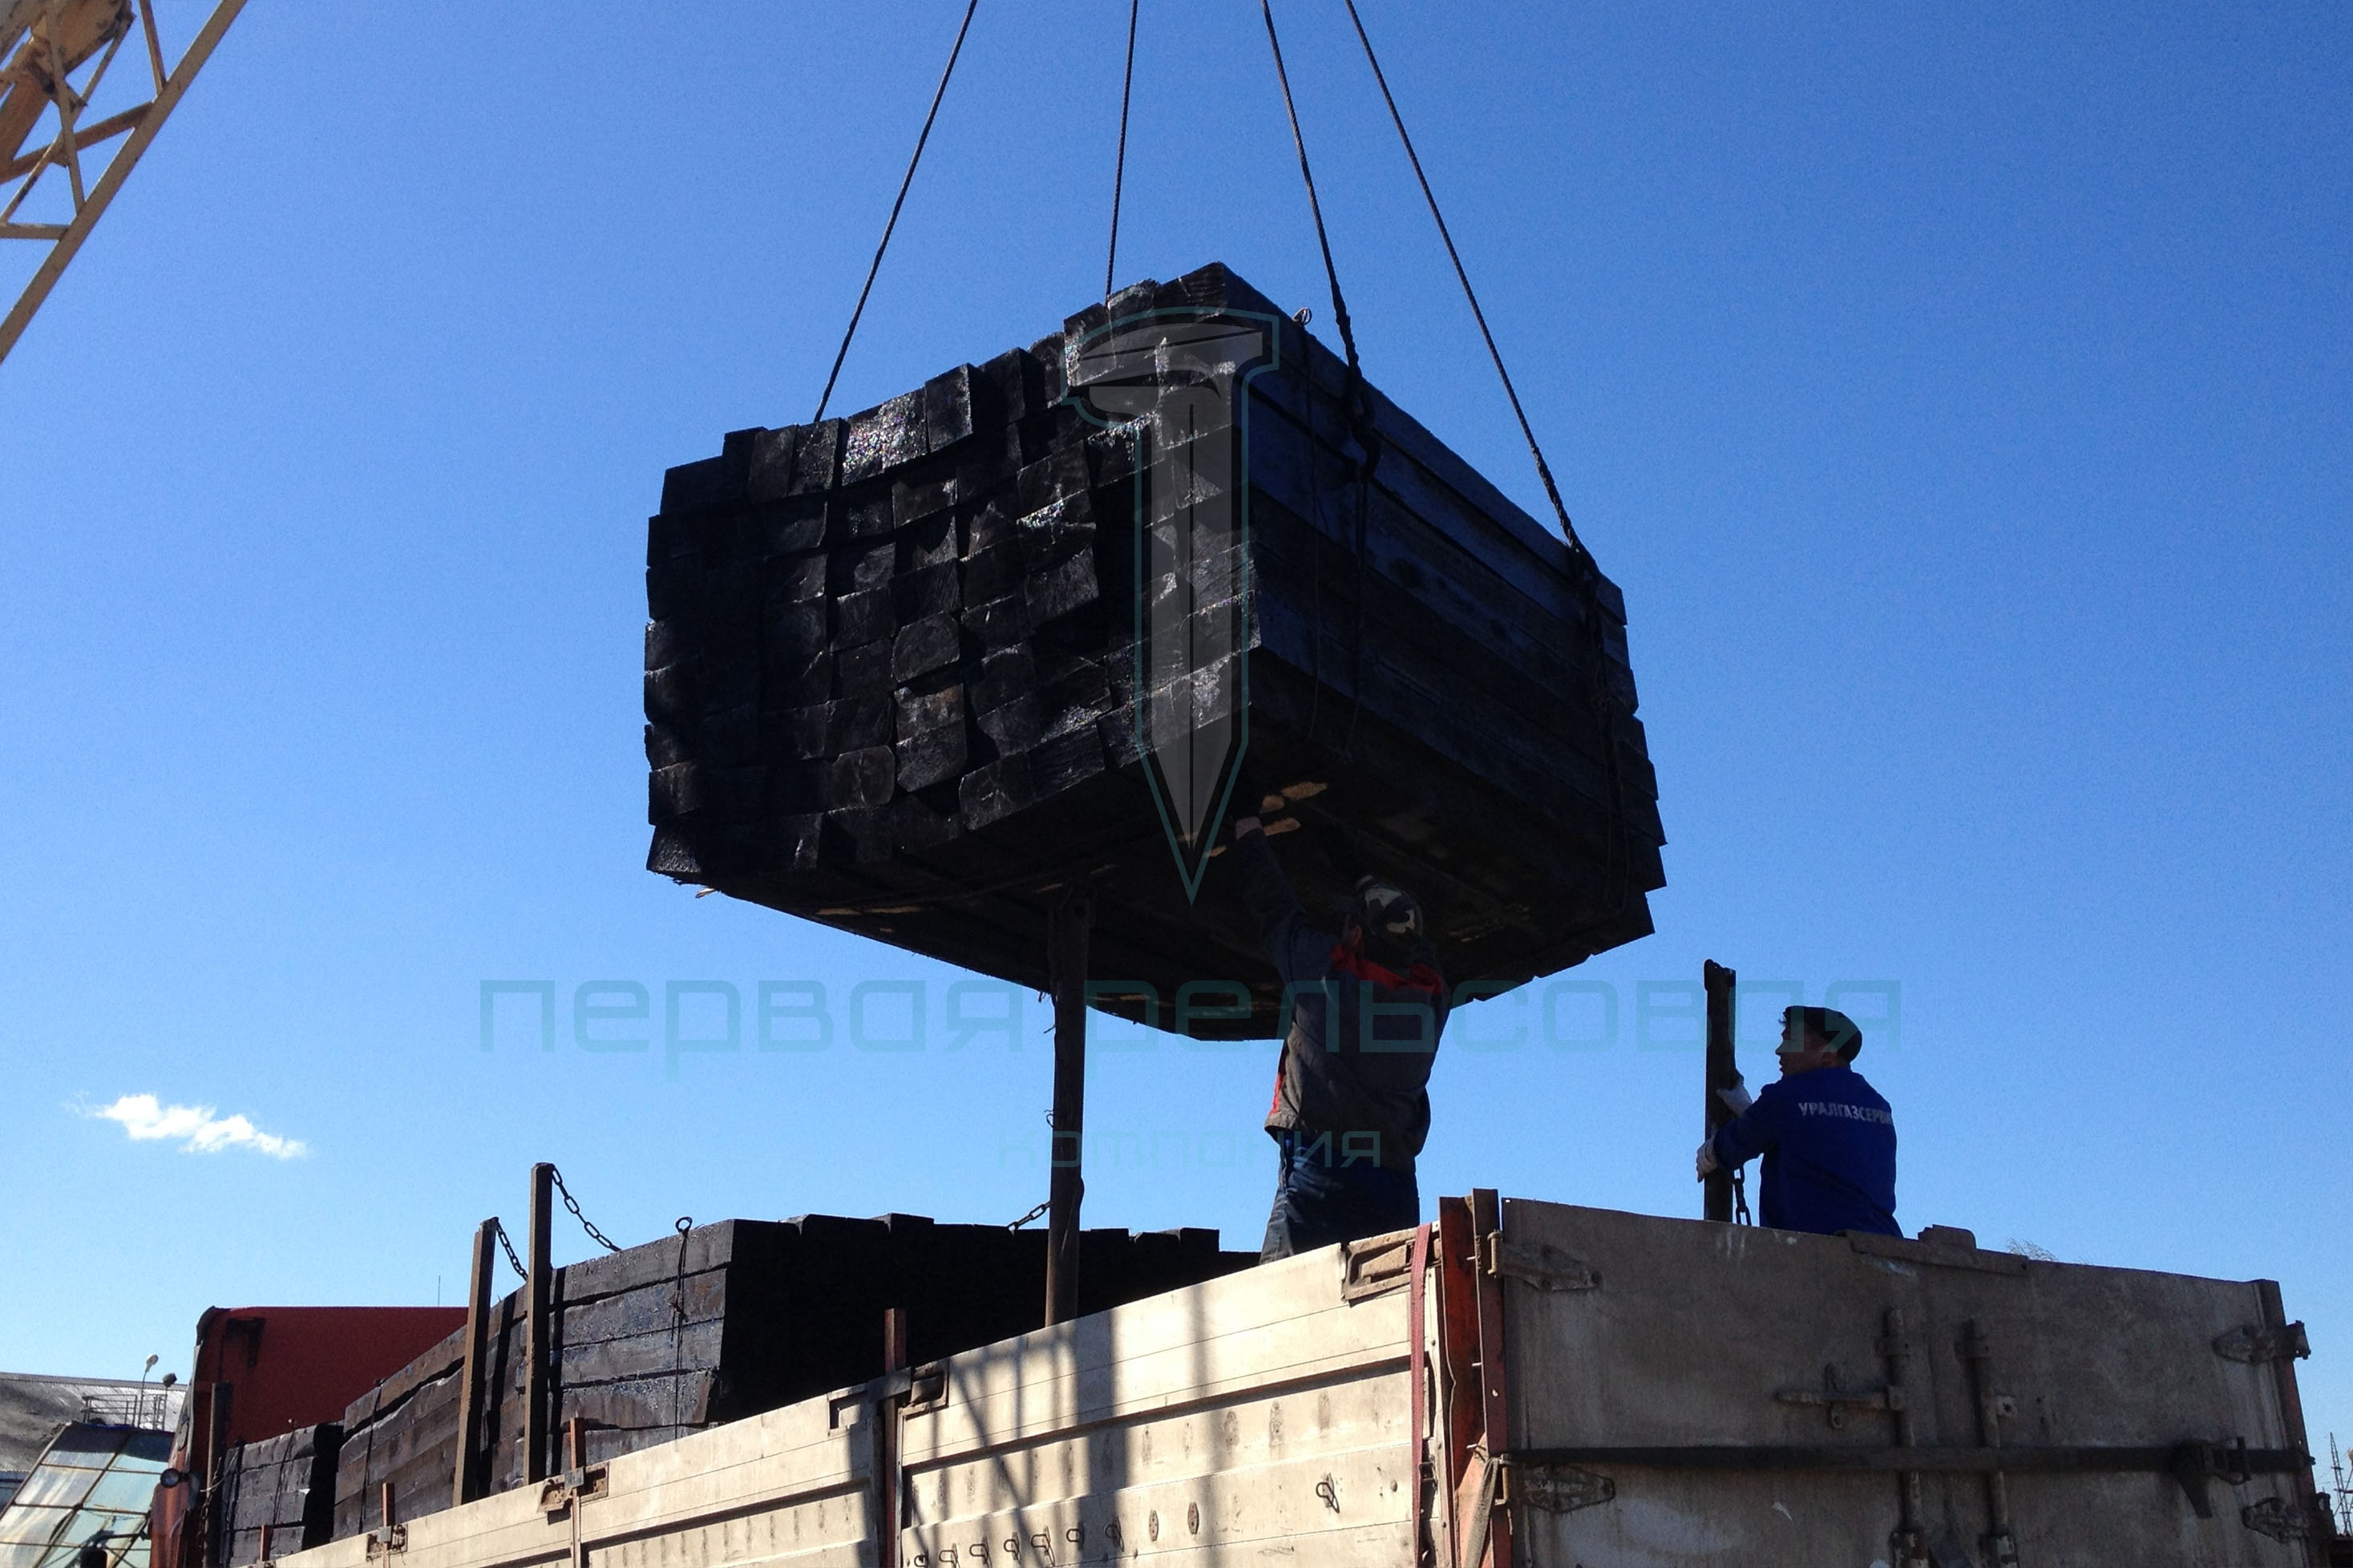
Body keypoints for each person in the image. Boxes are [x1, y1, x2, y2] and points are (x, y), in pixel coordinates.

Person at [1231, 808, 1449, 1261]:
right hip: (1393, 1186)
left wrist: (1245, 821)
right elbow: (1418, 947)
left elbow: (1274, 905)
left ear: (1357, 935)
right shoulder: (1430, 1003)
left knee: (1283, 1296)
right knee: (1383, 1299)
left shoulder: (1325, 979)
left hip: (1320, 1176)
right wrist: (1364, 878)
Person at [1696, 1004, 1898, 1237]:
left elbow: (1735, 1145)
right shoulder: (1878, 1106)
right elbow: (1822, 1135)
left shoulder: (1787, 1094)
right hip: (1882, 1242)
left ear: (1827, 1053)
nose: (1779, 1051)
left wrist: (1710, 1153)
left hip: (1814, 1246)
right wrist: (1753, 1113)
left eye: (1790, 1041)